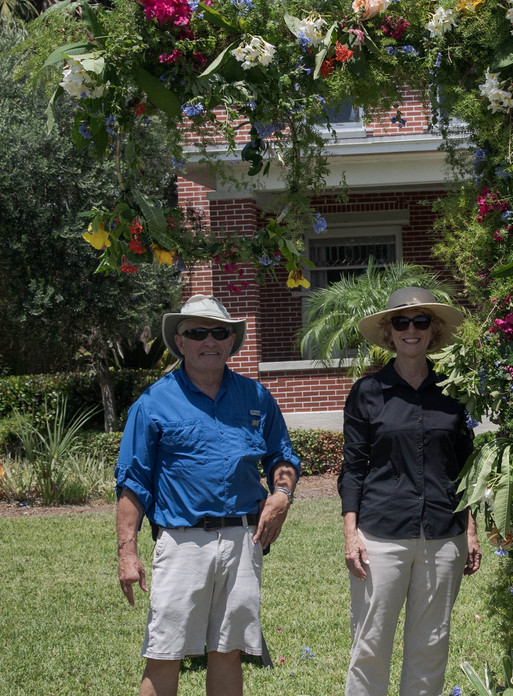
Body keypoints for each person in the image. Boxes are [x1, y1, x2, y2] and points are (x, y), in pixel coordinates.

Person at [115, 294, 300, 696]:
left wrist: (282, 493)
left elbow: (282, 456)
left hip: (242, 541)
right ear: (180, 342)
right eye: (197, 332)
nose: (210, 341)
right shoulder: (152, 403)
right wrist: (127, 551)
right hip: (182, 542)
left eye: (220, 332)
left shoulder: (256, 398)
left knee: (228, 650)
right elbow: (133, 481)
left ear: (231, 341)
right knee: (165, 653)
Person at [338, 286, 482, 696]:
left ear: (433, 331)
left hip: (443, 533)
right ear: (389, 332)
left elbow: (466, 466)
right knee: (370, 644)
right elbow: (352, 469)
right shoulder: (367, 393)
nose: (411, 330)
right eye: (401, 322)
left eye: (421, 321)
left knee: (431, 646)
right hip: (381, 534)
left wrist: (469, 529)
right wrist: (351, 534)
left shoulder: (454, 392)